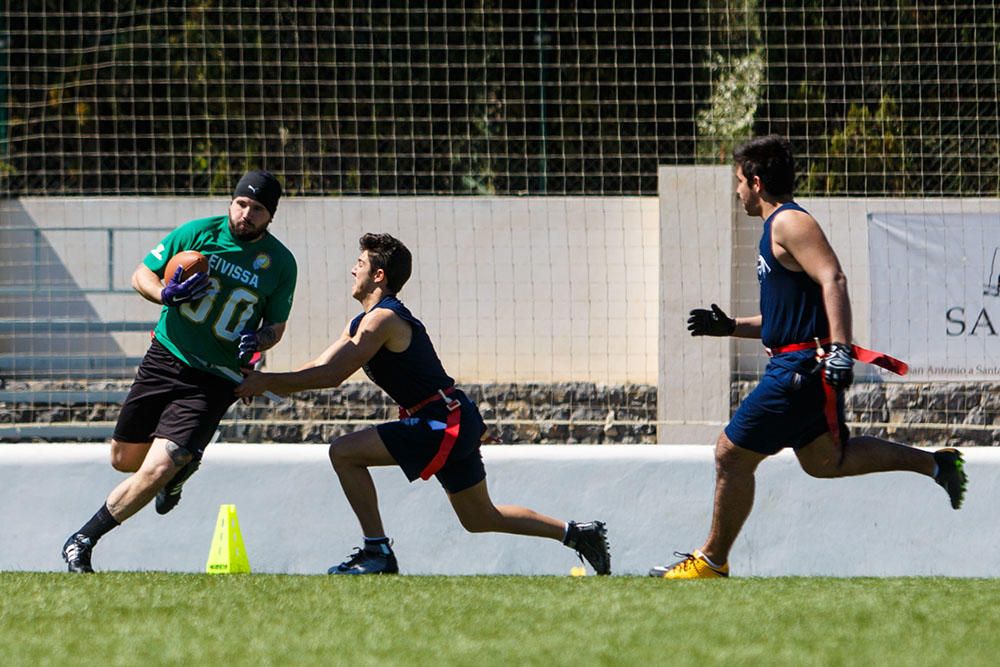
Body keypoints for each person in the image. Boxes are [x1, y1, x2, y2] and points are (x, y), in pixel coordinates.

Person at [650, 135, 967, 579]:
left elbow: (833, 278)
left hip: (799, 371)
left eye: (739, 182)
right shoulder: (774, 230)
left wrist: (841, 350)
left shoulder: (789, 223)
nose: (737, 191)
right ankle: (936, 464)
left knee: (730, 454)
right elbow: (786, 319)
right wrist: (731, 327)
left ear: (756, 182)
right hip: (799, 363)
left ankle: (710, 561)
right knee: (824, 462)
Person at [235, 233, 611, 575]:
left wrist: (267, 382)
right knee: (479, 516)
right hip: (452, 417)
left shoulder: (381, 320)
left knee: (344, 453)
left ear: (379, 275)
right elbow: (319, 365)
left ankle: (377, 552)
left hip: (439, 422)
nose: (353, 269)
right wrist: (263, 385)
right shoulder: (360, 324)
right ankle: (578, 534)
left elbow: (333, 376)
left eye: (361, 264)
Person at [61, 170, 298, 573]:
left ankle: (83, 539)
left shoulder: (281, 263)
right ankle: (180, 470)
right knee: (124, 460)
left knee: (159, 464)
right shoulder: (197, 233)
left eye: (257, 209)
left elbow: (275, 328)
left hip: (216, 378)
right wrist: (164, 294)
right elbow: (141, 273)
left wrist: (258, 341)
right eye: (241, 204)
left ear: (270, 216)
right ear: (232, 202)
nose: (246, 214)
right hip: (166, 357)